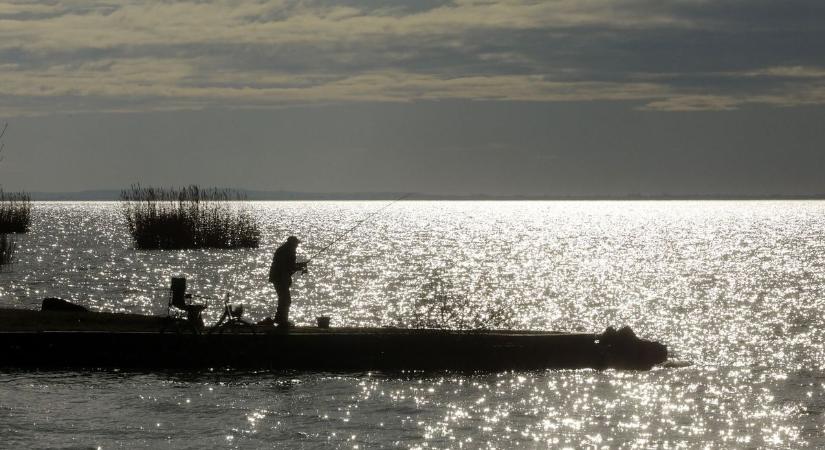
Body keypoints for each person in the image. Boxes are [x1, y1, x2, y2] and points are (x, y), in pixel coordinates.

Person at [268, 235, 305, 327]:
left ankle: (279, 319)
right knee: (286, 299)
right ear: (292, 243)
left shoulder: (283, 249)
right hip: (280, 278)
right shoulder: (289, 251)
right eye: (296, 244)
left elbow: (289, 266)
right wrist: (300, 266)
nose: (297, 245)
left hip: (277, 277)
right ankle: (282, 321)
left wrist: (299, 266)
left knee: (283, 299)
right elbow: (289, 266)